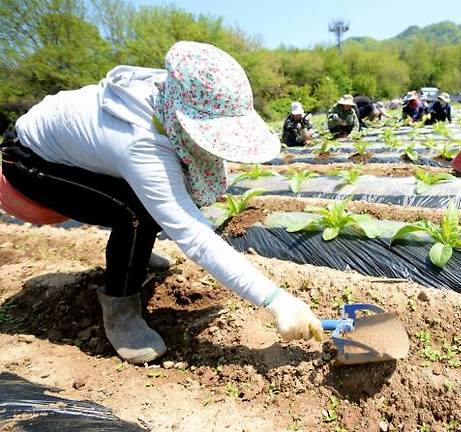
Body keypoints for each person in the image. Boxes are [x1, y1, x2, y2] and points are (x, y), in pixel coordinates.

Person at [0, 41, 323, 364]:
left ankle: (132, 252)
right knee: (137, 214)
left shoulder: (172, 95)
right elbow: (193, 236)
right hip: (29, 160)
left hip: (77, 150)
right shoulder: (140, 145)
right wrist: (277, 300)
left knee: (152, 205)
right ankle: (120, 306)